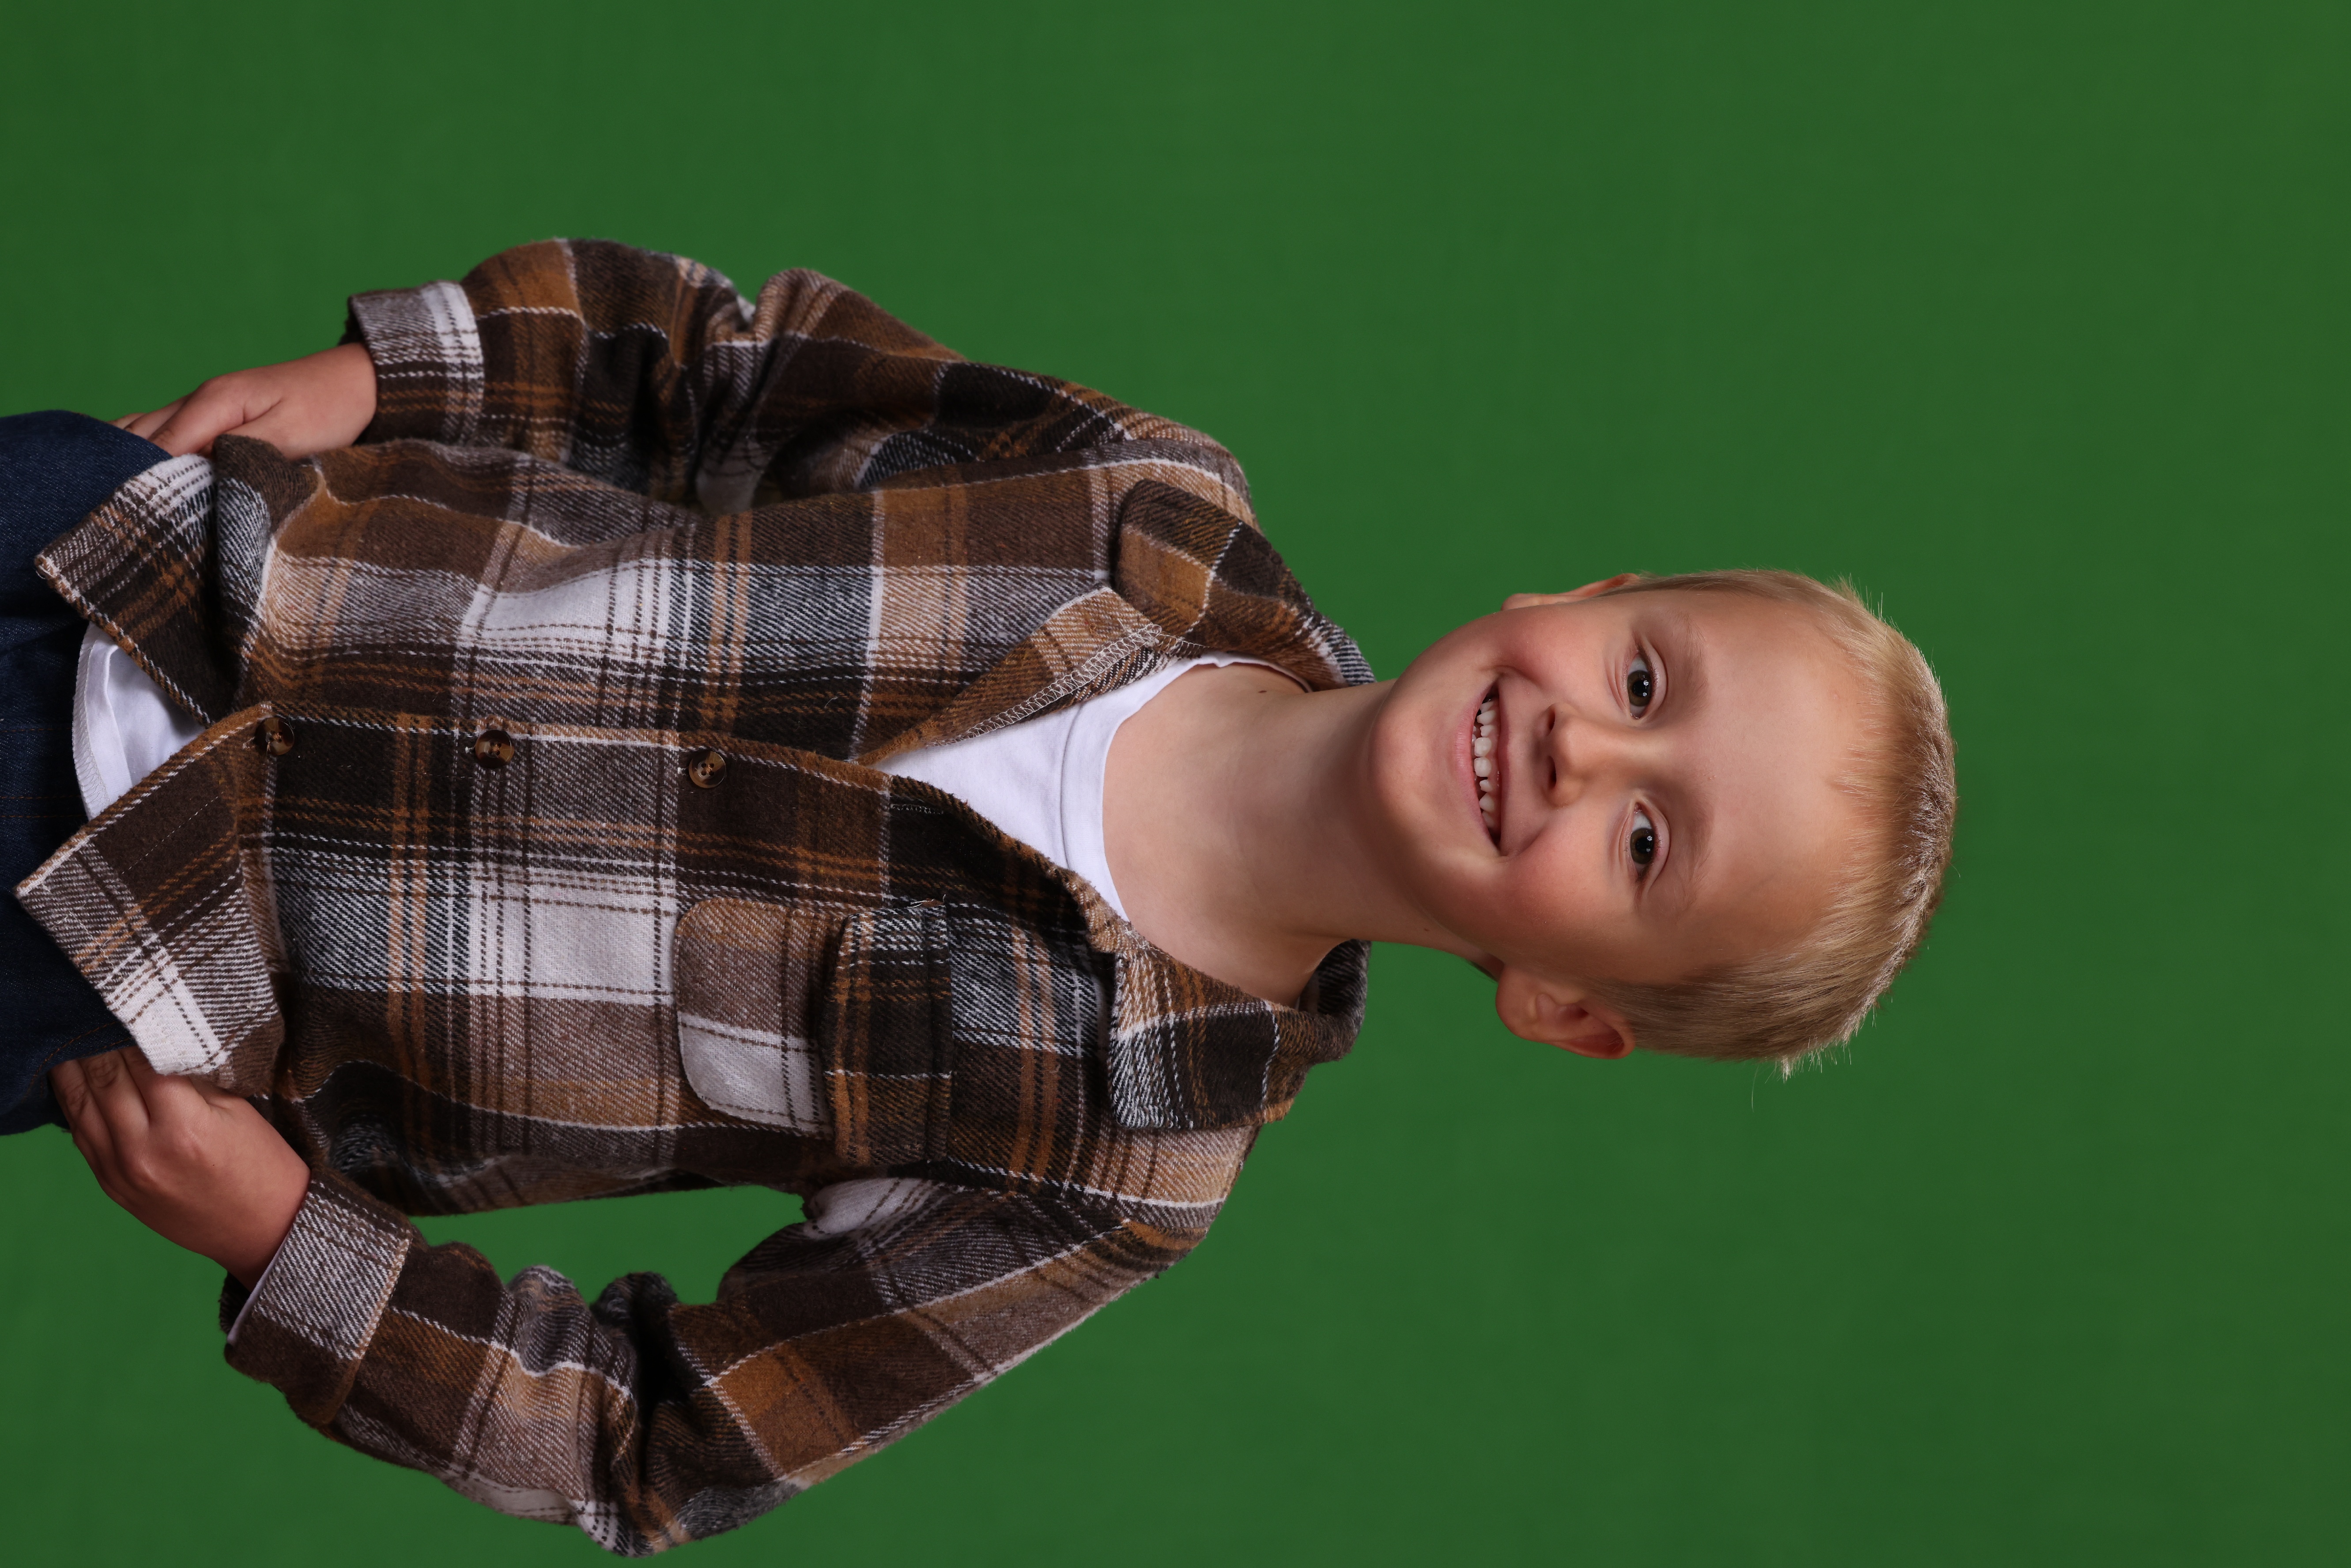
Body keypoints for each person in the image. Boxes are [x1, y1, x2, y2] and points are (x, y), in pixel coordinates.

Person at [5, 239, 1955, 1554]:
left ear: (1567, 1005)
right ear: (1581, 597)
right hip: (130, 550)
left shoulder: (1113, 1166)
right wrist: (386, 373)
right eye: (1644, 682)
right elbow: (726, 371)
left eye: (1648, 846)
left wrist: (295, 1250)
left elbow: (657, 1437)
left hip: (109, 952)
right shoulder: (1153, 511)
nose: (1584, 755)